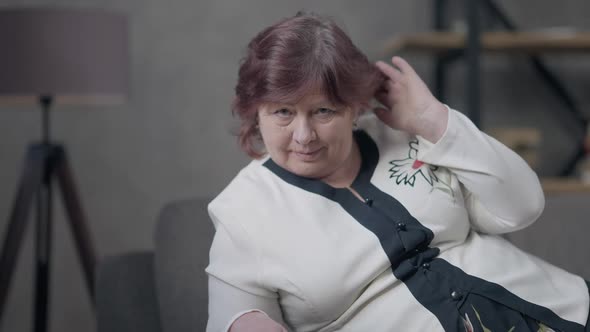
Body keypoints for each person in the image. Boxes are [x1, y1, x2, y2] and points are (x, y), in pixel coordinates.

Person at [205, 12, 590, 332]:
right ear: (255, 111)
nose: (304, 136)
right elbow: (236, 315)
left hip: (571, 311)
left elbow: (523, 206)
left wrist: (433, 119)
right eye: (283, 112)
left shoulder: (410, 135)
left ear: (355, 107)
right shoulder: (242, 211)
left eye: (324, 111)